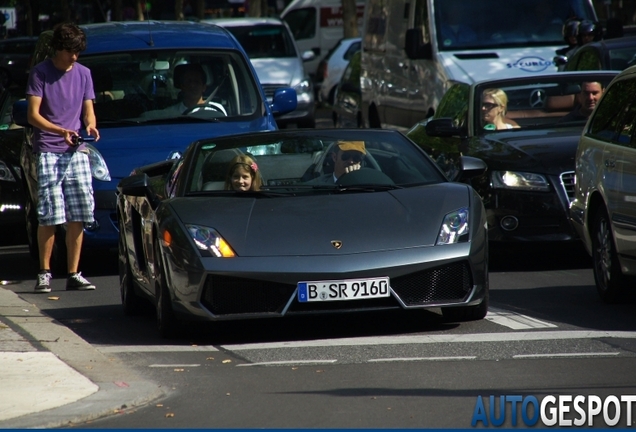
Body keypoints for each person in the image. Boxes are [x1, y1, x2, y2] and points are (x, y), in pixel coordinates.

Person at [26, 22, 100, 293]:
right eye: (70, 51)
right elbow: (33, 115)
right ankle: (44, 272)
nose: (74, 57)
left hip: (76, 149)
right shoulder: (40, 73)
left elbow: (88, 109)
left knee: (78, 212)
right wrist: (61, 130)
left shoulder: (83, 74)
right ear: (58, 48)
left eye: (78, 52)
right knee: (48, 214)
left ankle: (73, 273)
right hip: (48, 148)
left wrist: (90, 125)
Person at [142, 63, 226, 119]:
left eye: (196, 82)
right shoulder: (170, 113)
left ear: (204, 87)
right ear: (182, 86)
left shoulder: (216, 109)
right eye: (188, 81)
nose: (192, 85)